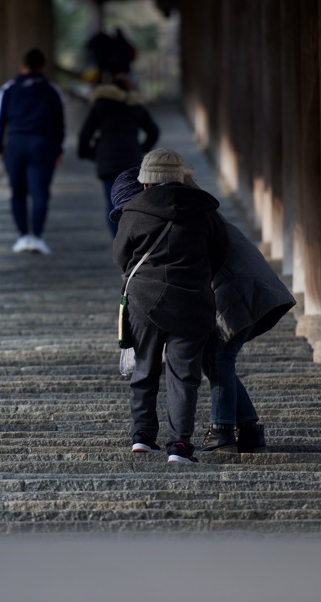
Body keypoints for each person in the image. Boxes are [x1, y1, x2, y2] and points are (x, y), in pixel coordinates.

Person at [110, 166, 296, 453]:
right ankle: (247, 428)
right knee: (214, 358)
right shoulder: (186, 212)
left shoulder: (184, 219)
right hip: (243, 284)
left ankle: (223, 430)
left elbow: (213, 261)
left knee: (218, 357)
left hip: (237, 287)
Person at [112, 149, 228, 463]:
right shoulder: (205, 210)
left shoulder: (134, 210)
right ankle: (179, 445)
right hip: (193, 303)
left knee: (145, 368)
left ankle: (143, 436)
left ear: (146, 182)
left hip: (144, 301)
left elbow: (121, 256)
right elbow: (220, 253)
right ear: (180, 177)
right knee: (184, 375)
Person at [0, 48, 65, 254]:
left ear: (22, 67)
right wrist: (58, 149)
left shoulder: (9, 88)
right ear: (42, 67)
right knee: (40, 193)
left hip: (16, 143)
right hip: (43, 144)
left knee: (17, 192)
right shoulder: (51, 89)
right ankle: (37, 237)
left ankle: (23, 236)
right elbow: (59, 123)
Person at [77, 73, 159, 237]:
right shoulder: (135, 105)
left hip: (107, 160)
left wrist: (89, 153)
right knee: (134, 201)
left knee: (112, 201)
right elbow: (153, 131)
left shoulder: (100, 105)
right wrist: (141, 148)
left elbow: (85, 134)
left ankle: (118, 242)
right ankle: (134, 239)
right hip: (131, 157)